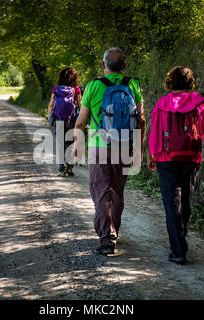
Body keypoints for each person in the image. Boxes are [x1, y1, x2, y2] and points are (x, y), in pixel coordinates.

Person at [73, 48, 146, 255]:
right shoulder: (132, 84)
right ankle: (113, 231)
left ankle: (106, 239)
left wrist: (77, 144)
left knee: (100, 192)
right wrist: (139, 150)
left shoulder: (94, 85)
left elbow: (80, 122)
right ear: (124, 66)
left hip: (99, 147)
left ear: (103, 65)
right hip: (124, 146)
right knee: (116, 191)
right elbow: (141, 120)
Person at [147, 66, 204, 265]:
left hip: (166, 158)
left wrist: (150, 155)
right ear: (189, 82)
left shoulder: (162, 103)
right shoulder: (199, 103)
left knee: (172, 204)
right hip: (190, 158)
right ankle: (180, 240)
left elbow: (155, 132)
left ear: (170, 82)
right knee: (184, 202)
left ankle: (178, 250)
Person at [47, 67, 82, 177]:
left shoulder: (56, 89)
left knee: (60, 143)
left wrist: (49, 118)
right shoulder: (76, 89)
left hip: (59, 118)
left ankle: (62, 169)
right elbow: (80, 105)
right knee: (70, 142)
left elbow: (51, 104)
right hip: (72, 119)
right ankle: (70, 168)